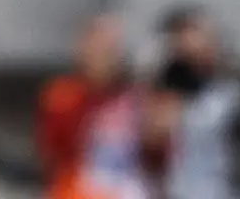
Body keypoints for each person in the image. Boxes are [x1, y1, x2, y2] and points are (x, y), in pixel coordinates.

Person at [36, 13, 154, 199]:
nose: (104, 58)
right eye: (97, 49)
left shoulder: (136, 97)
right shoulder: (63, 95)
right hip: (78, 189)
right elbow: (52, 151)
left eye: (111, 50)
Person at [147, 4, 240, 199]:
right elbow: (155, 136)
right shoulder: (168, 86)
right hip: (179, 190)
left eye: (192, 32)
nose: (187, 43)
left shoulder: (233, 89)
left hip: (222, 189)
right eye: (179, 36)